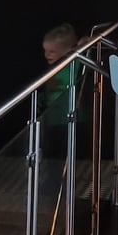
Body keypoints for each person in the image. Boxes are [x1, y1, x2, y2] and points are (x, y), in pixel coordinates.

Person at [38, 23, 90, 156]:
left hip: (70, 120)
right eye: (45, 50)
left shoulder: (73, 63)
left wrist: (80, 45)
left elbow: (84, 47)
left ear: (66, 51)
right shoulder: (53, 67)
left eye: (52, 51)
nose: (46, 55)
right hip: (52, 120)